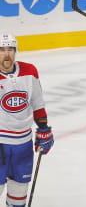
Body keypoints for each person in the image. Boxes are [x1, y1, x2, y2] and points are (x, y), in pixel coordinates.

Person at [0, 34, 54, 206]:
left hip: (23, 145)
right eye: (2, 50)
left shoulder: (30, 71)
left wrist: (44, 129)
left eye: (10, 50)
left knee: (18, 197)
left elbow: (37, 102)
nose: (6, 54)